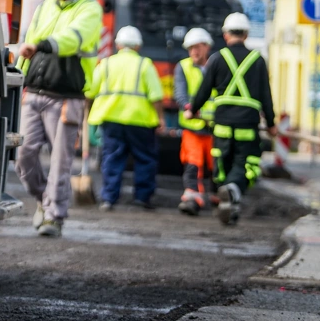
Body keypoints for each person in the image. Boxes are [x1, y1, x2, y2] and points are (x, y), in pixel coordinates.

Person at [16, 0, 103, 237]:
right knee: (24, 155)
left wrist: (43, 45)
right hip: (35, 93)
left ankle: (54, 216)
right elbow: (28, 41)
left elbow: (74, 38)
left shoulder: (90, 9)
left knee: (60, 161)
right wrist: (17, 74)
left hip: (67, 97)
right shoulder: (45, 7)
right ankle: (45, 200)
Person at [185, 13, 276, 225]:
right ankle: (234, 193)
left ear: (226, 35)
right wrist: (271, 124)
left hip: (222, 125)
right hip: (247, 124)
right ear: (246, 34)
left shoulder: (217, 58)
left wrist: (193, 110)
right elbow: (266, 96)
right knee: (246, 164)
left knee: (223, 165)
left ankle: (230, 202)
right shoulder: (258, 60)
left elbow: (203, 90)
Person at [86, 26, 166, 211]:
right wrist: (160, 118)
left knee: (112, 158)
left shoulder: (105, 64)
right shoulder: (144, 65)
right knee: (145, 159)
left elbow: (90, 92)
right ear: (138, 46)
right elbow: (156, 96)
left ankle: (109, 198)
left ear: (118, 45)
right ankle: (142, 198)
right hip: (140, 121)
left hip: (111, 119)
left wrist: (87, 113)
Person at [174, 27, 217, 216]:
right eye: (190, 48)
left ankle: (218, 197)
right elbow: (180, 93)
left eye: (197, 47)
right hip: (193, 127)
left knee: (217, 165)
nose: (194, 52)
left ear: (207, 47)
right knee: (193, 163)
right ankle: (193, 197)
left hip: (215, 127)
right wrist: (187, 108)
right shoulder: (182, 67)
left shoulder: (216, 66)